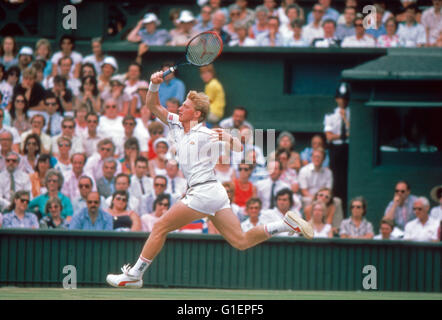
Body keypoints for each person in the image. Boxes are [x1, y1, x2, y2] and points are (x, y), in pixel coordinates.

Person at [106, 70, 313, 288]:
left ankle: (135, 275)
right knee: (241, 241)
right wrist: (153, 84)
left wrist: (228, 137)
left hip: (204, 193)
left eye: (186, 106)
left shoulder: (205, 133)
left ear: (196, 114)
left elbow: (239, 147)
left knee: (159, 227)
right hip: (214, 193)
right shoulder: (176, 123)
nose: (180, 108)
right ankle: (284, 224)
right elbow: (153, 105)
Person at [324, 82, 350, 208]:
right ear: (336, 99)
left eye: (345, 98)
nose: (343, 101)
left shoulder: (352, 113)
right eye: (340, 98)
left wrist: (345, 118)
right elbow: (329, 136)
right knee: (336, 178)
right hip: (336, 148)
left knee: (346, 178)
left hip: (348, 148)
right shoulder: (330, 114)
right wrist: (343, 136)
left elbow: (353, 133)